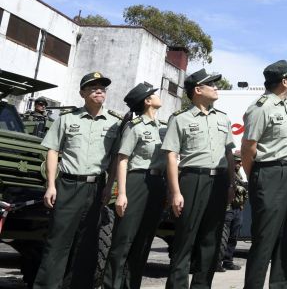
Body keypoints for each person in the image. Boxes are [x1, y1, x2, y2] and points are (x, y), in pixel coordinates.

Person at [34, 72, 122, 289]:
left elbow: (114, 159)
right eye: (93, 87)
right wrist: (51, 185)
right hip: (68, 185)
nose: (99, 90)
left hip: (96, 187)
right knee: (58, 243)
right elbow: (53, 151)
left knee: (88, 244)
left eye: (102, 87)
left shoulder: (115, 123)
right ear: (82, 93)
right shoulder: (67, 119)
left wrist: (109, 187)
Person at [162, 68, 238, 289]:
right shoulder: (180, 119)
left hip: (219, 182)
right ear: (197, 90)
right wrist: (175, 191)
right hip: (192, 180)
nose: (216, 88)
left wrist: (231, 183)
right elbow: (171, 156)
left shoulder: (223, 119)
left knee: (211, 241)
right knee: (185, 239)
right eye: (211, 84)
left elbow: (229, 154)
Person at [241, 59, 287, 288]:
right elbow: (248, 147)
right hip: (269, 173)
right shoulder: (262, 107)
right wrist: (255, 177)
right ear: (284, 81)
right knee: (265, 238)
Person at [103, 81, 167, 289]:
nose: (158, 96)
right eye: (154, 94)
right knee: (123, 241)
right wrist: (121, 193)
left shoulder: (164, 129)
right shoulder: (135, 127)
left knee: (144, 242)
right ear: (148, 101)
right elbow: (122, 159)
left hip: (157, 184)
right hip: (136, 181)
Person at [218, 152, 248, 272]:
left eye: (241, 162)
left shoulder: (238, 174)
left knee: (233, 237)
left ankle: (228, 261)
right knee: (222, 237)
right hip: (228, 209)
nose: (240, 164)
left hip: (237, 208)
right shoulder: (227, 174)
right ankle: (216, 262)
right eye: (237, 161)